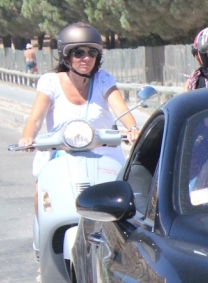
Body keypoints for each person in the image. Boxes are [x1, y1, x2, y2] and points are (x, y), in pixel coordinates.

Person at [18, 22, 138, 177]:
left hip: (103, 160)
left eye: (92, 53)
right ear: (66, 56)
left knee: (123, 196)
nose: (86, 58)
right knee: (41, 193)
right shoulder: (50, 82)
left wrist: (133, 128)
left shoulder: (103, 80)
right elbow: (35, 119)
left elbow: (121, 109)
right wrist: (27, 137)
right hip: (61, 159)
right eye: (79, 53)